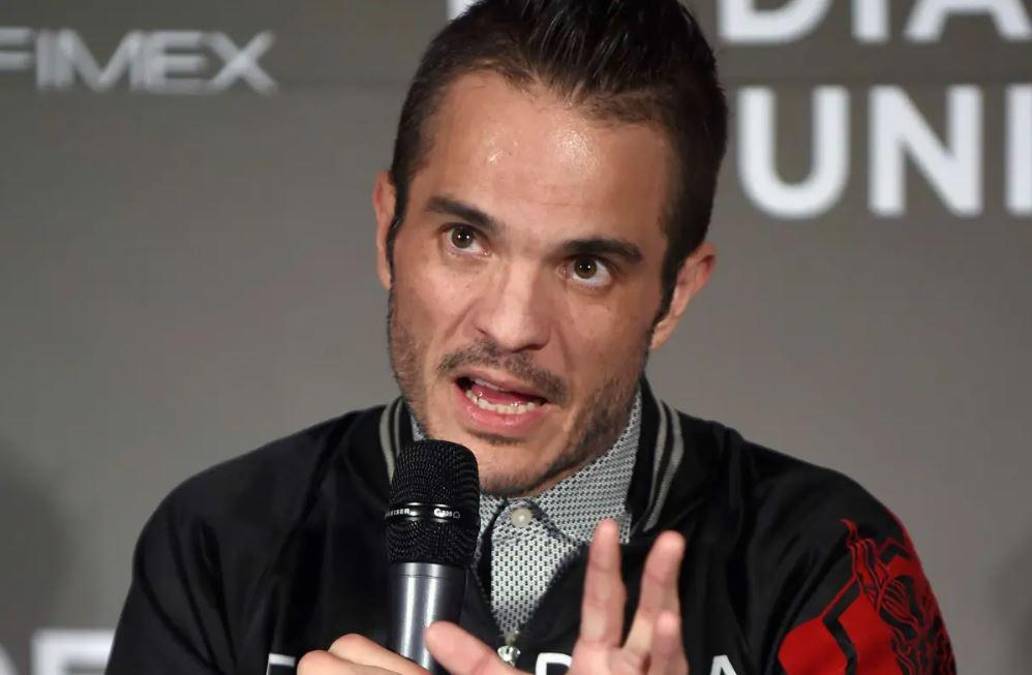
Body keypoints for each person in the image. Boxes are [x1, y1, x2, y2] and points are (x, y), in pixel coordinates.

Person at [107, 1, 956, 673]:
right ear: (387, 231)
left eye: (585, 266)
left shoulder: (826, 561)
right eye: (465, 239)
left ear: (674, 293)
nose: (511, 325)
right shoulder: (223, 542)